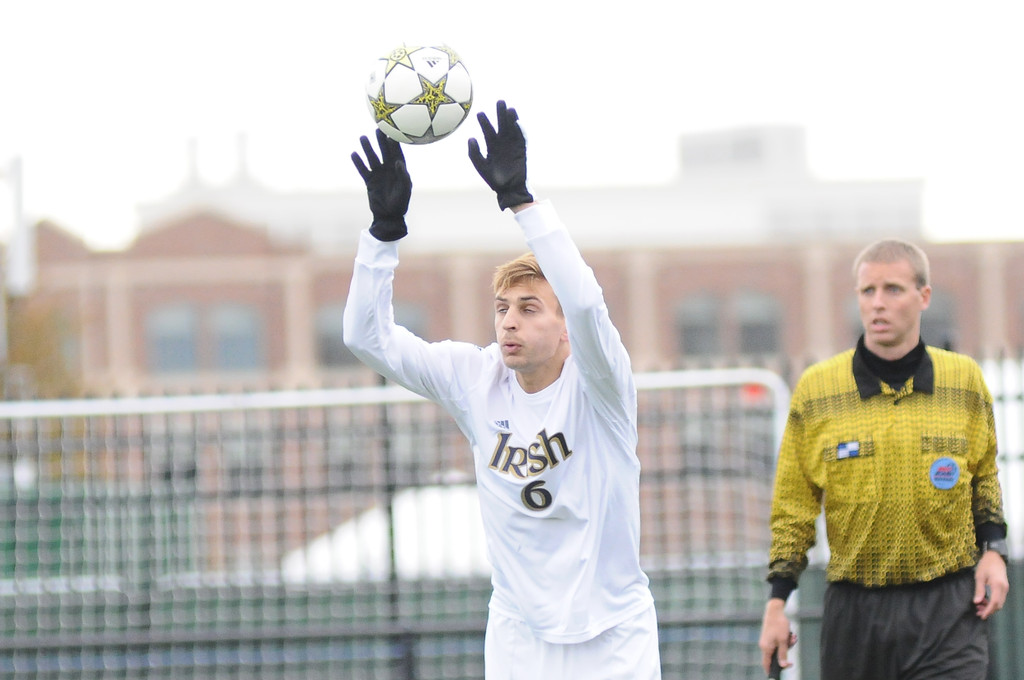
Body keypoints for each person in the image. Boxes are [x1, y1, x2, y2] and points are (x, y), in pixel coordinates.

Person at [344, 101, 661, 680]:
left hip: (613, 635)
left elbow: (587, 302)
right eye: (501, 308)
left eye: (529, 308)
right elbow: (367, 338)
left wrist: (523, 202)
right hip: (518, 635)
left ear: (565, 329)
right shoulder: (475, 378)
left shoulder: (601, 387)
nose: (509, 321)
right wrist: (382, 235)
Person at [758, 238, 1010, 679]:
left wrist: (994, 552)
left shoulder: (964, 381)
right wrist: (777, 602)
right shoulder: (818, 392)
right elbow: (793, 510)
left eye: (892, 289)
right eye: (867, 291)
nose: (878, 304)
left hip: (948, 609)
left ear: (923, 296)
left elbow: (984, 474)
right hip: (856, 614)